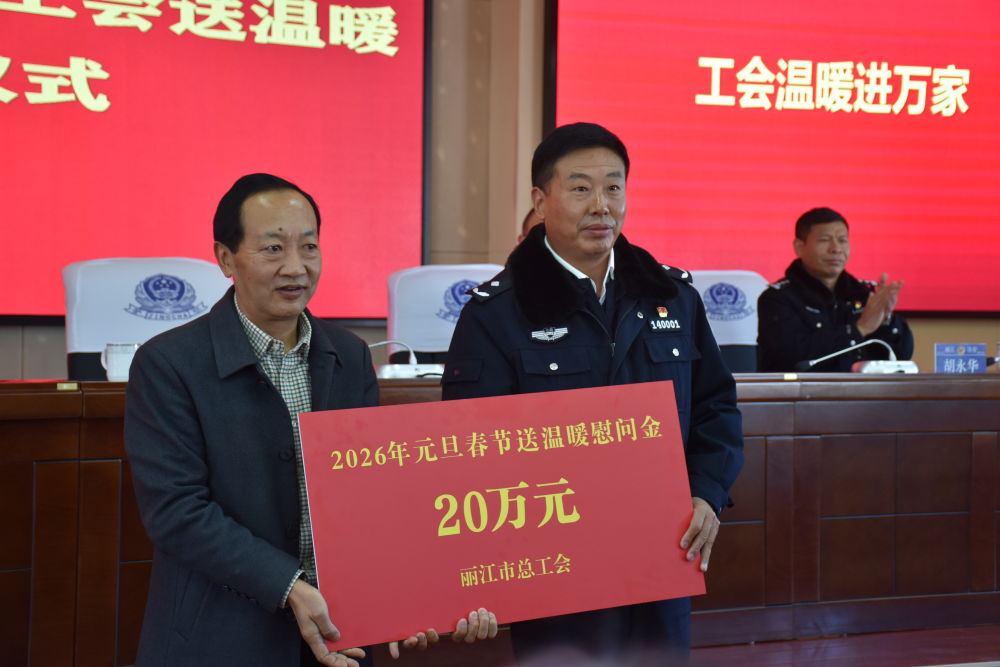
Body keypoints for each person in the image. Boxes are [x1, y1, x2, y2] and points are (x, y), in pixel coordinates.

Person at [125, 173, 496, 667]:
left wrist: (407, 596)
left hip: (337, 631)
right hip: (219, 636)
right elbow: (177, 512)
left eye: (309, 247)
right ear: (226, 258)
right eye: (273, 249)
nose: (296, 267)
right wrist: (290, 586)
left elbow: (368, 495)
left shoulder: (348, 355)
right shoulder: (169, 363)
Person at [442, 123, 744, 663]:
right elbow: (470, 445)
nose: (601, 205)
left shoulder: (672, 296)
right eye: (580, 188)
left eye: (613, 187)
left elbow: (715, 405)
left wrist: (706, 492)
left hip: (661, 547)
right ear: (541, 200)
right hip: (553, 562)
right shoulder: (496, 313)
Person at [757, 207, 914, 372]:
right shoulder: (777, 299)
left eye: (842, 240)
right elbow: (791, 358)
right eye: (825, 240)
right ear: (799, 247)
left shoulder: (863, 294)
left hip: (861, 388)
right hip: (804, 389)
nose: (836, 248)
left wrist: (886, 319)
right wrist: (859, 329)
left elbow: (901, 356)